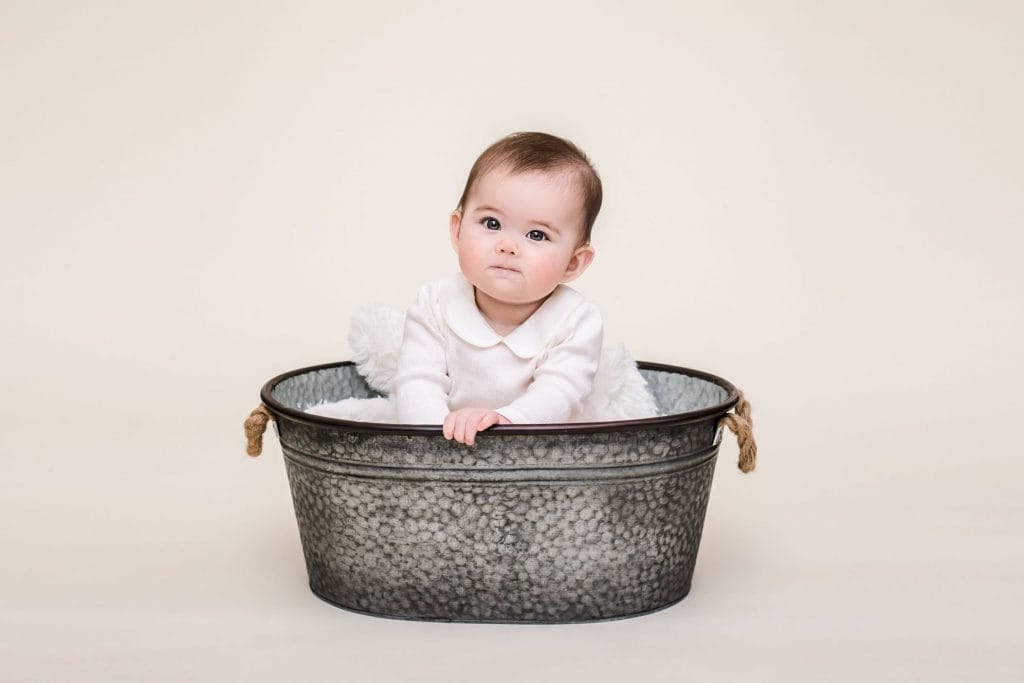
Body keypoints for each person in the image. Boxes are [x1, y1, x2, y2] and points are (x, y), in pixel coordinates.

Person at [393, 131, 603, 446]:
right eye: (492, 223)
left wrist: (506, 423)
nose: (507, 245)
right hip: (447, 447)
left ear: (573, 263)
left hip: (541, 452)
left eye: (537, 235)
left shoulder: (575, 319)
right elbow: (417, 383)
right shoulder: (436, 303)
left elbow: (561, 393)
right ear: (458, 231)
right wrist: (434, 443)